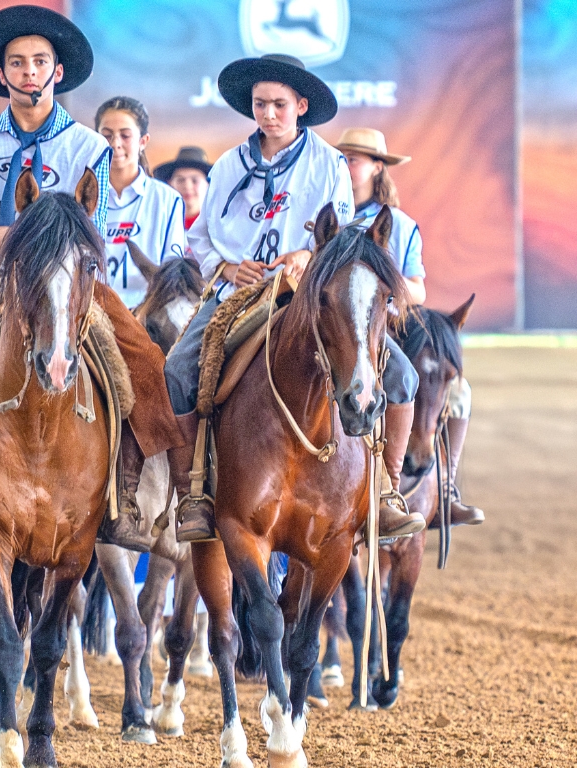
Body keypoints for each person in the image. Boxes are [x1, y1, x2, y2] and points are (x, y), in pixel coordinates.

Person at [0, 5, 184, 551]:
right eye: (17, 63)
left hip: (66, 280)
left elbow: (98, 228)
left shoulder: (90, 147)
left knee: (142, 360)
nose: (29, 72)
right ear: (2, 75)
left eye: (39, 62)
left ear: (57, 72)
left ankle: (124, 497)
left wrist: (49, 244)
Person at [164, 54, 425, 543]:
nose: (268, 114)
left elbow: (342, 238)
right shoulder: (227, 166)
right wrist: (227, 267)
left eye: (279, 104)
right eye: (260, 104)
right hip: (236, 296)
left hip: (305, 297)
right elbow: (199, 239)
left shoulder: (328, 164)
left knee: (403, 376)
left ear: (301, 106)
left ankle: (385, 491)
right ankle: (193, 493)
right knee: (177, 370)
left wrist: (309, 254)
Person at [336, 127, 483, 526]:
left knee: (457, 391)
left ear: (377, 167)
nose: (345, 165)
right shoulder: (328, 213)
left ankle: (442, 489)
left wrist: (383, 289)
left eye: (354, 159)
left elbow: (418, 288)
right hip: (334, 324)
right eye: (341, 158)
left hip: (389, 329)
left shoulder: (400, 225)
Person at [94, 96, 186, 307]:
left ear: (143, 141)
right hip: (90, 315)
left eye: (125, 135)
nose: (115, 144)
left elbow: (173, 272)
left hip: (146, 314)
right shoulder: (83, 196)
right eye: (107, 135)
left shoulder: (167, 199)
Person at [153, 146, 214, 260]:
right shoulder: (159, 224)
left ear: (208, 185)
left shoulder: (218, 226)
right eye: (180, 180)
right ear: (169, 184)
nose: (187, 186)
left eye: (194, 180)